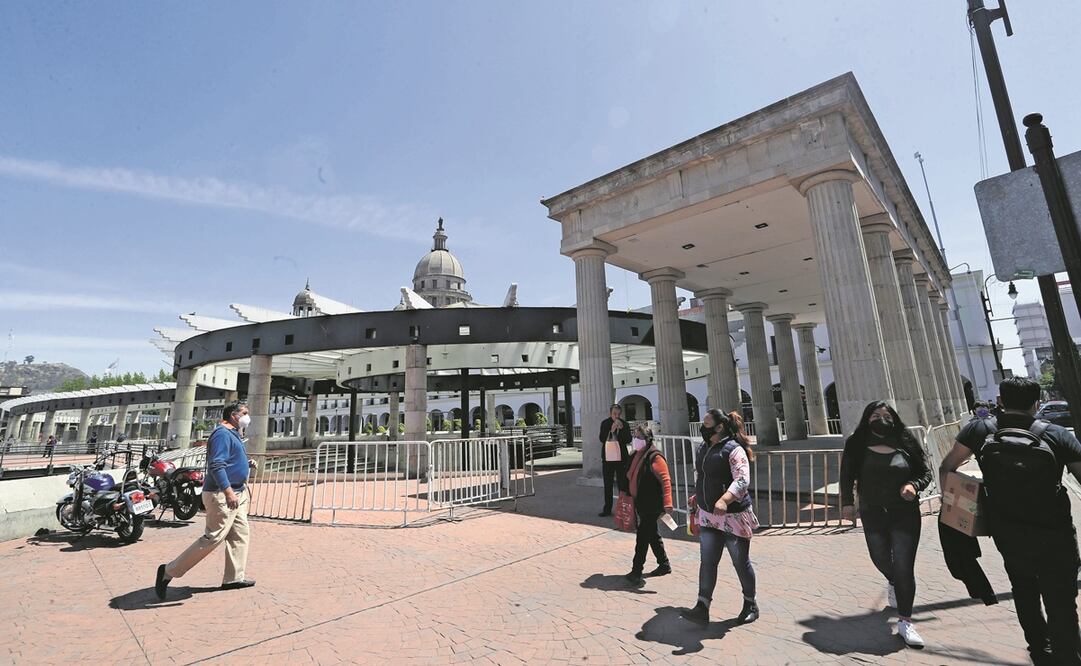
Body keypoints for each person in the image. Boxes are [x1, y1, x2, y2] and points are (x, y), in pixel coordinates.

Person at [940, 377, 1081, 665]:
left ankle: (1040, 650)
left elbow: (948, 468)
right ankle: (1068, 654)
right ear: (1037, 403)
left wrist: (965, 510)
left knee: (1024, 589)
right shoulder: (1056, 434)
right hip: (1055, 532)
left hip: (1008, 531)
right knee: (1061, 598)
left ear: (1001, 400)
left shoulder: (981, 429)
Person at [839, 401, 932, 648]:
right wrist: (847, 503)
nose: (882, 418)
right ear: (867, 418)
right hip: (873, 511)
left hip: (905, 513)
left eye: (886, 415)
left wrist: (914, 485)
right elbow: (846, 475)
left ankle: (905, 621)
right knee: (879, 556)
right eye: (876, 415)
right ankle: (893, 580)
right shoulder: (857, 443)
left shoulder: (905, 440)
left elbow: (925, 472)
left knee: (904, 566)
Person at [155, 401, 258, 600]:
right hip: (222, 494)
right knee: (214, 537)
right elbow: (217, 465)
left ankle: (234, 578)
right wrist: (228, 492)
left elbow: (229, 460)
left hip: (237, 492)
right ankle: (168, 571)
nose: (247, 417)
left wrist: (246, 463)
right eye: (245, 413)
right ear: (234, 415)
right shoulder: (222, 434)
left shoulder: (234, 434)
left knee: (240, 534)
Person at [682, 409, 760, 626]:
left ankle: (750, 603)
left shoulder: (734, 450)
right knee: (707, 561)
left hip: (733, 517)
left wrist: (725, 499)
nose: (702, 426)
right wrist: (699, 495)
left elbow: (742, 480)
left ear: (719, 427)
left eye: (706, 423)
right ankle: (702, 605)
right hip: (708, 516)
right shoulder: (703, 448)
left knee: (740, 563)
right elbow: (704, 476)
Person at [623, 425, 673, 585]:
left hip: (652, 504)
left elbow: (665, 480)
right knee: (652, 533)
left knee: (643, 537)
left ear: (647, 439)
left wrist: (668, 503)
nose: (635, 440)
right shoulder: (637, 454)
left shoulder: (654, 457)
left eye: (639, 437)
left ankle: (637, 570)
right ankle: (664, 564)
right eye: (635, 436)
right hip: (641, 502)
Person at [598, 404, 632, 517]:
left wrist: (621, 430)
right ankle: (607, 509)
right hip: (608, 458)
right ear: (610, 413)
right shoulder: (605, 423)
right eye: (614, 414)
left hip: (621, 458)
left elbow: (628, 439)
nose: (616, 416)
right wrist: (611, 431)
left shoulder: (625, 424)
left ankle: (623, 509)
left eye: (618, 414)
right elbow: (602, 439)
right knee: (608, 483)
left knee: (622, 484)